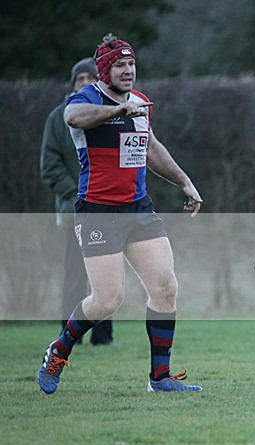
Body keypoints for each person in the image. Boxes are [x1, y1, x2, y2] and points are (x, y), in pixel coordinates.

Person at [38, 33, 204, 394]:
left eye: (131, 64)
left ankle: (159, 378)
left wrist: (185, 182)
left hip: (138, 208)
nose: (128, 71)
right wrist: (116, 110)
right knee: (107, 300)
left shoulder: (141, 102)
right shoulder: (86, 99)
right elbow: (73, 117)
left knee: (165, 287)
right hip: (98, 211)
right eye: (119, 65)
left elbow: (151, 148)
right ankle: (59, 350)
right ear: (103, 71)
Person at [40, 57, 114, 347]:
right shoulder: (58, 117)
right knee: (74, 276)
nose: (84, 83)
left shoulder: (110, 115)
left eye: (90, 78)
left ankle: (103, 337)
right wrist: (77, 193)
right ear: (73, 84)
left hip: (107, 209)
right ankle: (70, 337)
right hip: (74, 210)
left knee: (106, 276)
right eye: (79, 79)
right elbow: (49, 166)